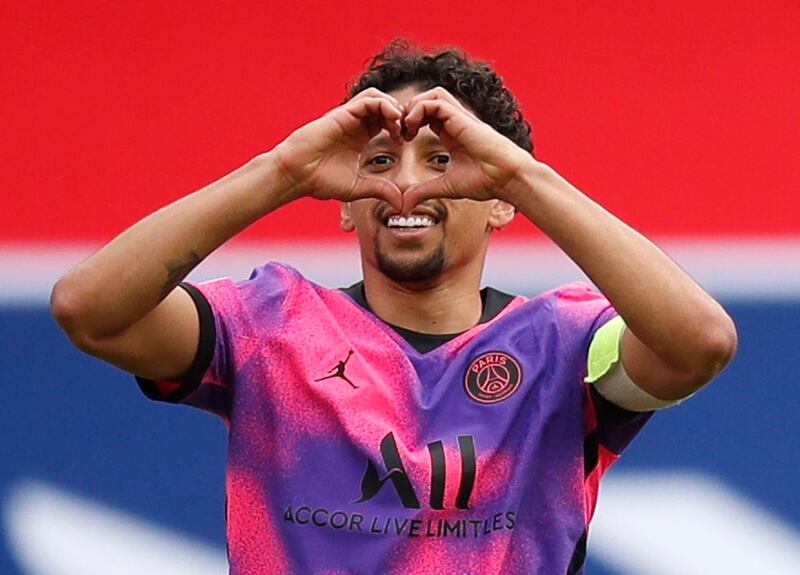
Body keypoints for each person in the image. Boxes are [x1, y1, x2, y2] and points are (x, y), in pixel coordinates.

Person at [51, 40, 737, 574]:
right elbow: (90, 307)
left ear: (501, 199)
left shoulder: (567, 345)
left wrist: (524, 176)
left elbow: (700, 340)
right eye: (378, 163)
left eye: (445, 160)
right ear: (347, 205)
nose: (406, 186)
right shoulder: (268, 324)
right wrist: (282, 171)